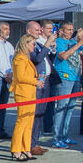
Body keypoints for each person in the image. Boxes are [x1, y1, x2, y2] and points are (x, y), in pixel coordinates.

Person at [52, 21, 83, 148]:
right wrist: (79, 44)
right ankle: (56, 138)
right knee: (61, 107)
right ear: (61, 31)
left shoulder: (73, 42)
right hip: (64, 77)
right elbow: (63, 56)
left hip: (75, 78)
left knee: (70, 108)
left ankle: (64, 135)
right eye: (68, 29)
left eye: (72, 29)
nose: (71, 32)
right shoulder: (59, 42)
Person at [10, 34, 42, 161]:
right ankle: (16, 149)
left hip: (30, 93)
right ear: (25, 44)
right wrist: (36, 81)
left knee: (29, 123)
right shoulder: (19, 58)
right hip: (23, 94)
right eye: (33, 44)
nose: (34, 46)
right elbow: (20, 77)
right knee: (21, 122)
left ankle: (26, 147)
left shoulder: (26, 58)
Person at [26, 21, 55, 155]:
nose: (39, 32)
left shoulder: (37, 44)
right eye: (36, 30)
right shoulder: (28, 45)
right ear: (29, 31)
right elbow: (37, 59)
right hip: (37, 82)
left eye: (39, 30)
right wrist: (47, 44)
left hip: (46, 81)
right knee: (34, 114)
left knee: (41, 114)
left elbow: (45, 59)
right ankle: (29, 144)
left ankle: (35, 142)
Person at [38, 20, 59, 136]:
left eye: (52, 29)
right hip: (41, 77)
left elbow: (51, 58)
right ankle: (39, 127)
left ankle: (48, 125)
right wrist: (49, 43)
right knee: (41, 104)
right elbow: (39, 57)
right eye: (48, 29)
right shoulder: (38, 41)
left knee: (51, 102)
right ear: (42, 29)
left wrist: (53, 47)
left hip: (51, 75)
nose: (51, 31)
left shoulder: (51, 41)